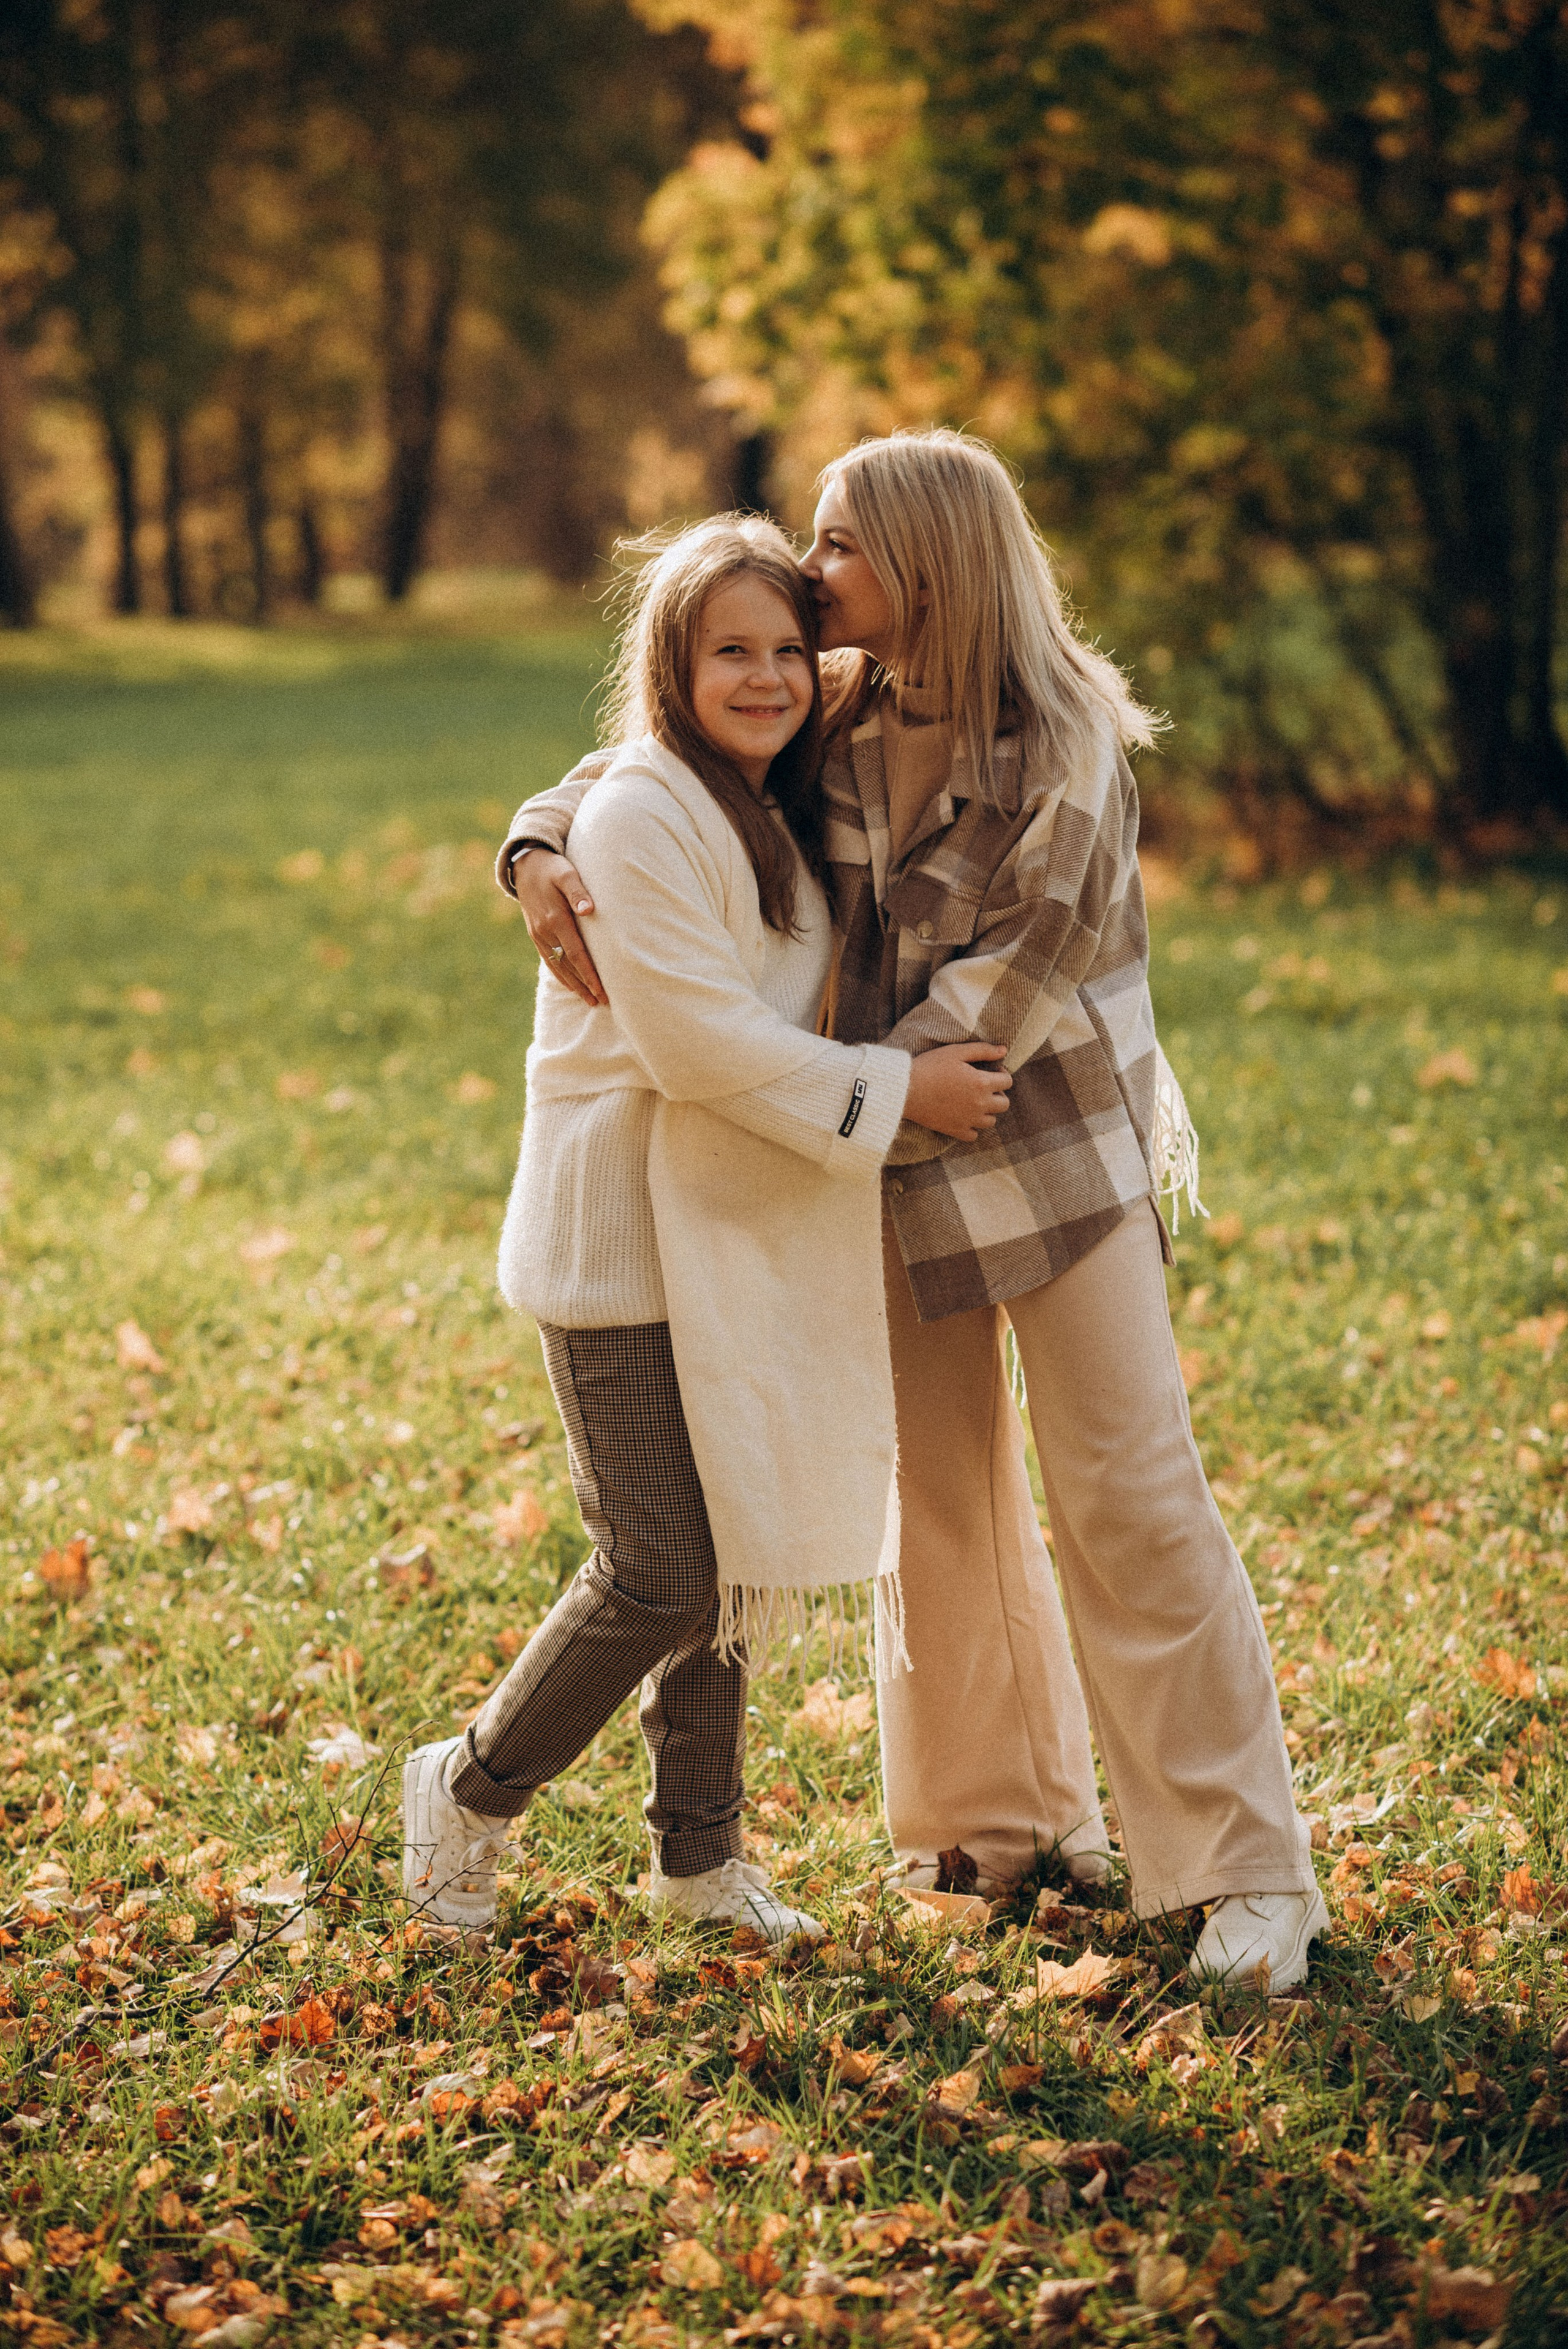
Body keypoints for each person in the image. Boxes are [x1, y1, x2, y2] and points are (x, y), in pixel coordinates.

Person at [503, 432, 1328, 1989]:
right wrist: (538, 841)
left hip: (1035, 1142)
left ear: (930, 562)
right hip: (877, 1153)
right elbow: (650, 757)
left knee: (1125, 1485)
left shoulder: (1068, 740)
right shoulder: (840, 703)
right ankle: (991, 1829)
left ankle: (1244, 1869)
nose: (813, 579)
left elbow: (989, 1011)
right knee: (936, 1498)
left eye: (839, 547)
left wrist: (832, 1087)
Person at [402, 514, 1013, 1943]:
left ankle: (696, 1860)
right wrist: (895, 1089)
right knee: (658, 1567)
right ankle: (468, 1785)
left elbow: (927, 656)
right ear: (669, 668)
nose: (764, 676)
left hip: (726, 1234)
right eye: (724, 651)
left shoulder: (771, 796)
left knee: (729, 1556)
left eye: (786, 648)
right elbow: (699, 1048)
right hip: (618, 1242)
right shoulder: (637, 812)